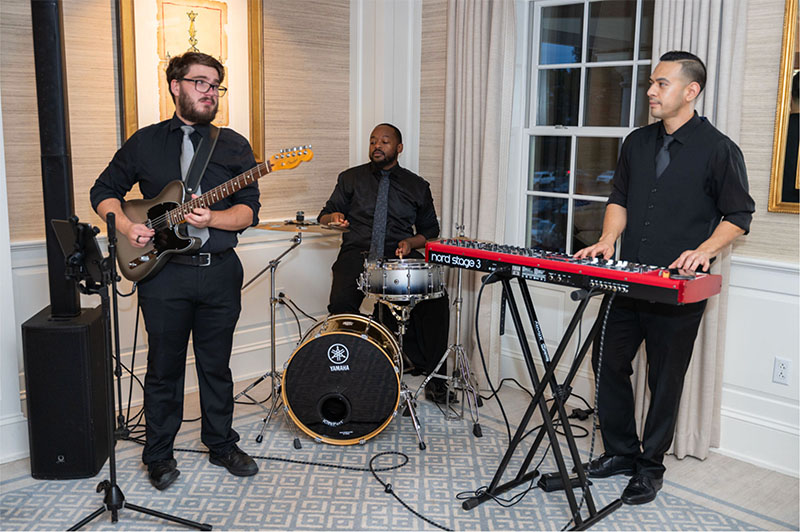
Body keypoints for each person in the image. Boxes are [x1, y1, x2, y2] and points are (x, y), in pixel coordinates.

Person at [573, 51, 755, 505]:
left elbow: (739, 215)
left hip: (678, 289)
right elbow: (619, 198)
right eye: (651, 84)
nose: (651, 92)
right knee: (606, 361)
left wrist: (704, 250)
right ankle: (620, 451)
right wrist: (608, 239)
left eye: (661, 84)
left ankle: (650, 466)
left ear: (690, 91)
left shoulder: (719, 149)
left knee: (665, 377)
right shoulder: (636, 142)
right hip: (627, 280)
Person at [90, 52, 261, 490]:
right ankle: (159, 455)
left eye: (216, 85)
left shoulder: (234, 144)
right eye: (201, 82)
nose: (210, 92)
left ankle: (222, 443)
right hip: (164, 274)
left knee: (216, 365)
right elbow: (103, 192)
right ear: (175, 85)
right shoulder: (145, 142)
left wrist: (214, 220)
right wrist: (130, 226)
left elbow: (248, 212)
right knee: (164, 369)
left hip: (221, 270)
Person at [318, 123, 452, 403]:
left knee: (436, 301)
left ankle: (436, 379)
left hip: (398, 254)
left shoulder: (417, 186)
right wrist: (334, 218)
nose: (377, 146)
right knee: (342, 307)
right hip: (357, 253)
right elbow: (325, 214)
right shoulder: (350, 178)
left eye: (385, 141)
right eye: (373, 141)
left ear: (399, 148)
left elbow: (430, 231)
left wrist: (411, 243)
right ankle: (344, 373)